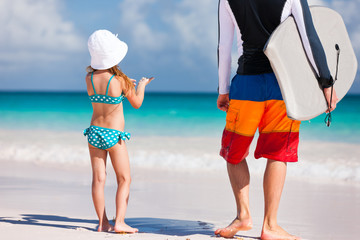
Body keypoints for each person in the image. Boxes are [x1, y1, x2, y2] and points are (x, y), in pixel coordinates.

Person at [215, 0, 338, 239]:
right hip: (282, 85)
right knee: (278, 152)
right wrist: (326, 83)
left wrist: (223, 88)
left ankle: (243, 216)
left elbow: (224, 46)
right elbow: (309, 39)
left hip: (246, 84)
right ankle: (270, 225)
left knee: (234, 151)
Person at [84, 29, 153, 233]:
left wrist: (123, 85)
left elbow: (105, 87)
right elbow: (137, 103)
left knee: (98, 178)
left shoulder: (88, 78)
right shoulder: (120, 81)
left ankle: (103, 223)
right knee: (124, 179)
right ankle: (120, 222)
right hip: (114, 135)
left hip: (94, 132)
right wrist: (141, 86)